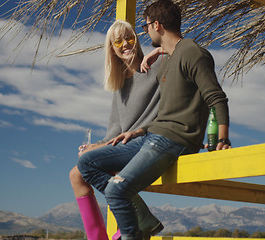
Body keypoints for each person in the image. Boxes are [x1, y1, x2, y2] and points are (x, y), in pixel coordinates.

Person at [77, 0, 232, 239]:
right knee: (86, 163)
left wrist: (222, 138)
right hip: (152, 136)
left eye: (145, 26)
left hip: (172, 141)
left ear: (156, 25)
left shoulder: (193, 53)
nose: (144, 31)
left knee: (117, 191)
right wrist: (137, 132)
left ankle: (135, 235)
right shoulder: (169, 58)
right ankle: (141, 225)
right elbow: (167, 113)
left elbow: (216, 98)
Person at [69, 20, 164, 240]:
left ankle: (136, 222)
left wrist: (160, 49)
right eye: (117, 41)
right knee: (76, 174)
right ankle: (99, 237)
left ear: (137, 38)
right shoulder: (120, 84)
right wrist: (96, 146)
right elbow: (115, 131)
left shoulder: (158, 65)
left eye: (129, 37)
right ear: (112, 49)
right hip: (126, 145)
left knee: (91, 163)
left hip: (150, 141)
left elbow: (180, 52)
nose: (125, 44)